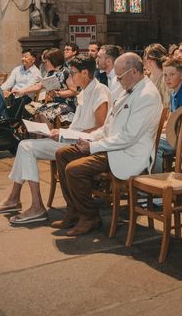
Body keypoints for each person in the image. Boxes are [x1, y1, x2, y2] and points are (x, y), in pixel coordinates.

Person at [0, 56, 111, 224]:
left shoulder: (100, 90)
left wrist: (67, 134)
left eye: (73, 73)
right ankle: (15, 199)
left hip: (81, 143)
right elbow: (79, 125)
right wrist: (61, 131)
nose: (71, 78)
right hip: (71, 139)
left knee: (25, 147)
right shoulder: (85, 90)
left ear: (85, 72)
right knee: (25, 146)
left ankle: (31, 204)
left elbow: (100, 126)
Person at [53, 53, 163, 236]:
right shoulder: (127, 88)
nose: (118, 81)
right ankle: (74, 211)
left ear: (135, 71)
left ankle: (89, 217)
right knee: (63, 154)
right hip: (113, 146)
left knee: (74, 169)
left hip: (129, 153)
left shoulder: (147, 95)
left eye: (120, 76)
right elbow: (108, 127)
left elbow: (128, 137)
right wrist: (88, 139)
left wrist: (93, 147)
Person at [14, 48, 75, 127]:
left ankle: (51, 136)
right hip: (55, 103)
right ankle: (40, 138)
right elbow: (38, 85)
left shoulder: (66, 72)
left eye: (46, 61)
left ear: (54, 60)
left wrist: (58, 93)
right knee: (36, 114)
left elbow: (73, 91)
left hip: (67, 104)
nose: (45, 64)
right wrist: (22, 91)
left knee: (44, 114)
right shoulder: (50, 72)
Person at [143, 43, 171, 109]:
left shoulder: (165, 80)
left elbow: (167, 106)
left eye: (145, 56)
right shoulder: (148, 77)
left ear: (149, 60)